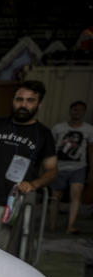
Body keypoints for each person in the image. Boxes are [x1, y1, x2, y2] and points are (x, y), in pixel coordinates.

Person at [0, 80, 57, 249]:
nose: (23, 105)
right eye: (19, 99)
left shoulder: (44, 134)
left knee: (0, 258)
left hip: (10, 208)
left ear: (39, 105)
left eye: (30, 100)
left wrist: (33, 184)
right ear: (13, 101)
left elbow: (52, 170)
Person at [49, 100, 93, 234]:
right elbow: (50, 149)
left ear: (84, 112)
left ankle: (70, 226)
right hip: (59, 167)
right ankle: (52, 226)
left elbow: (90, 150)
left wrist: (91, 170)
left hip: (79, 168)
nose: (77, 112)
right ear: (70, 110)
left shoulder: (89, 129)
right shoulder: (58, 128)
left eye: (80, 110)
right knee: (56, 197)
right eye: (75, 109)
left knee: (76, 196)